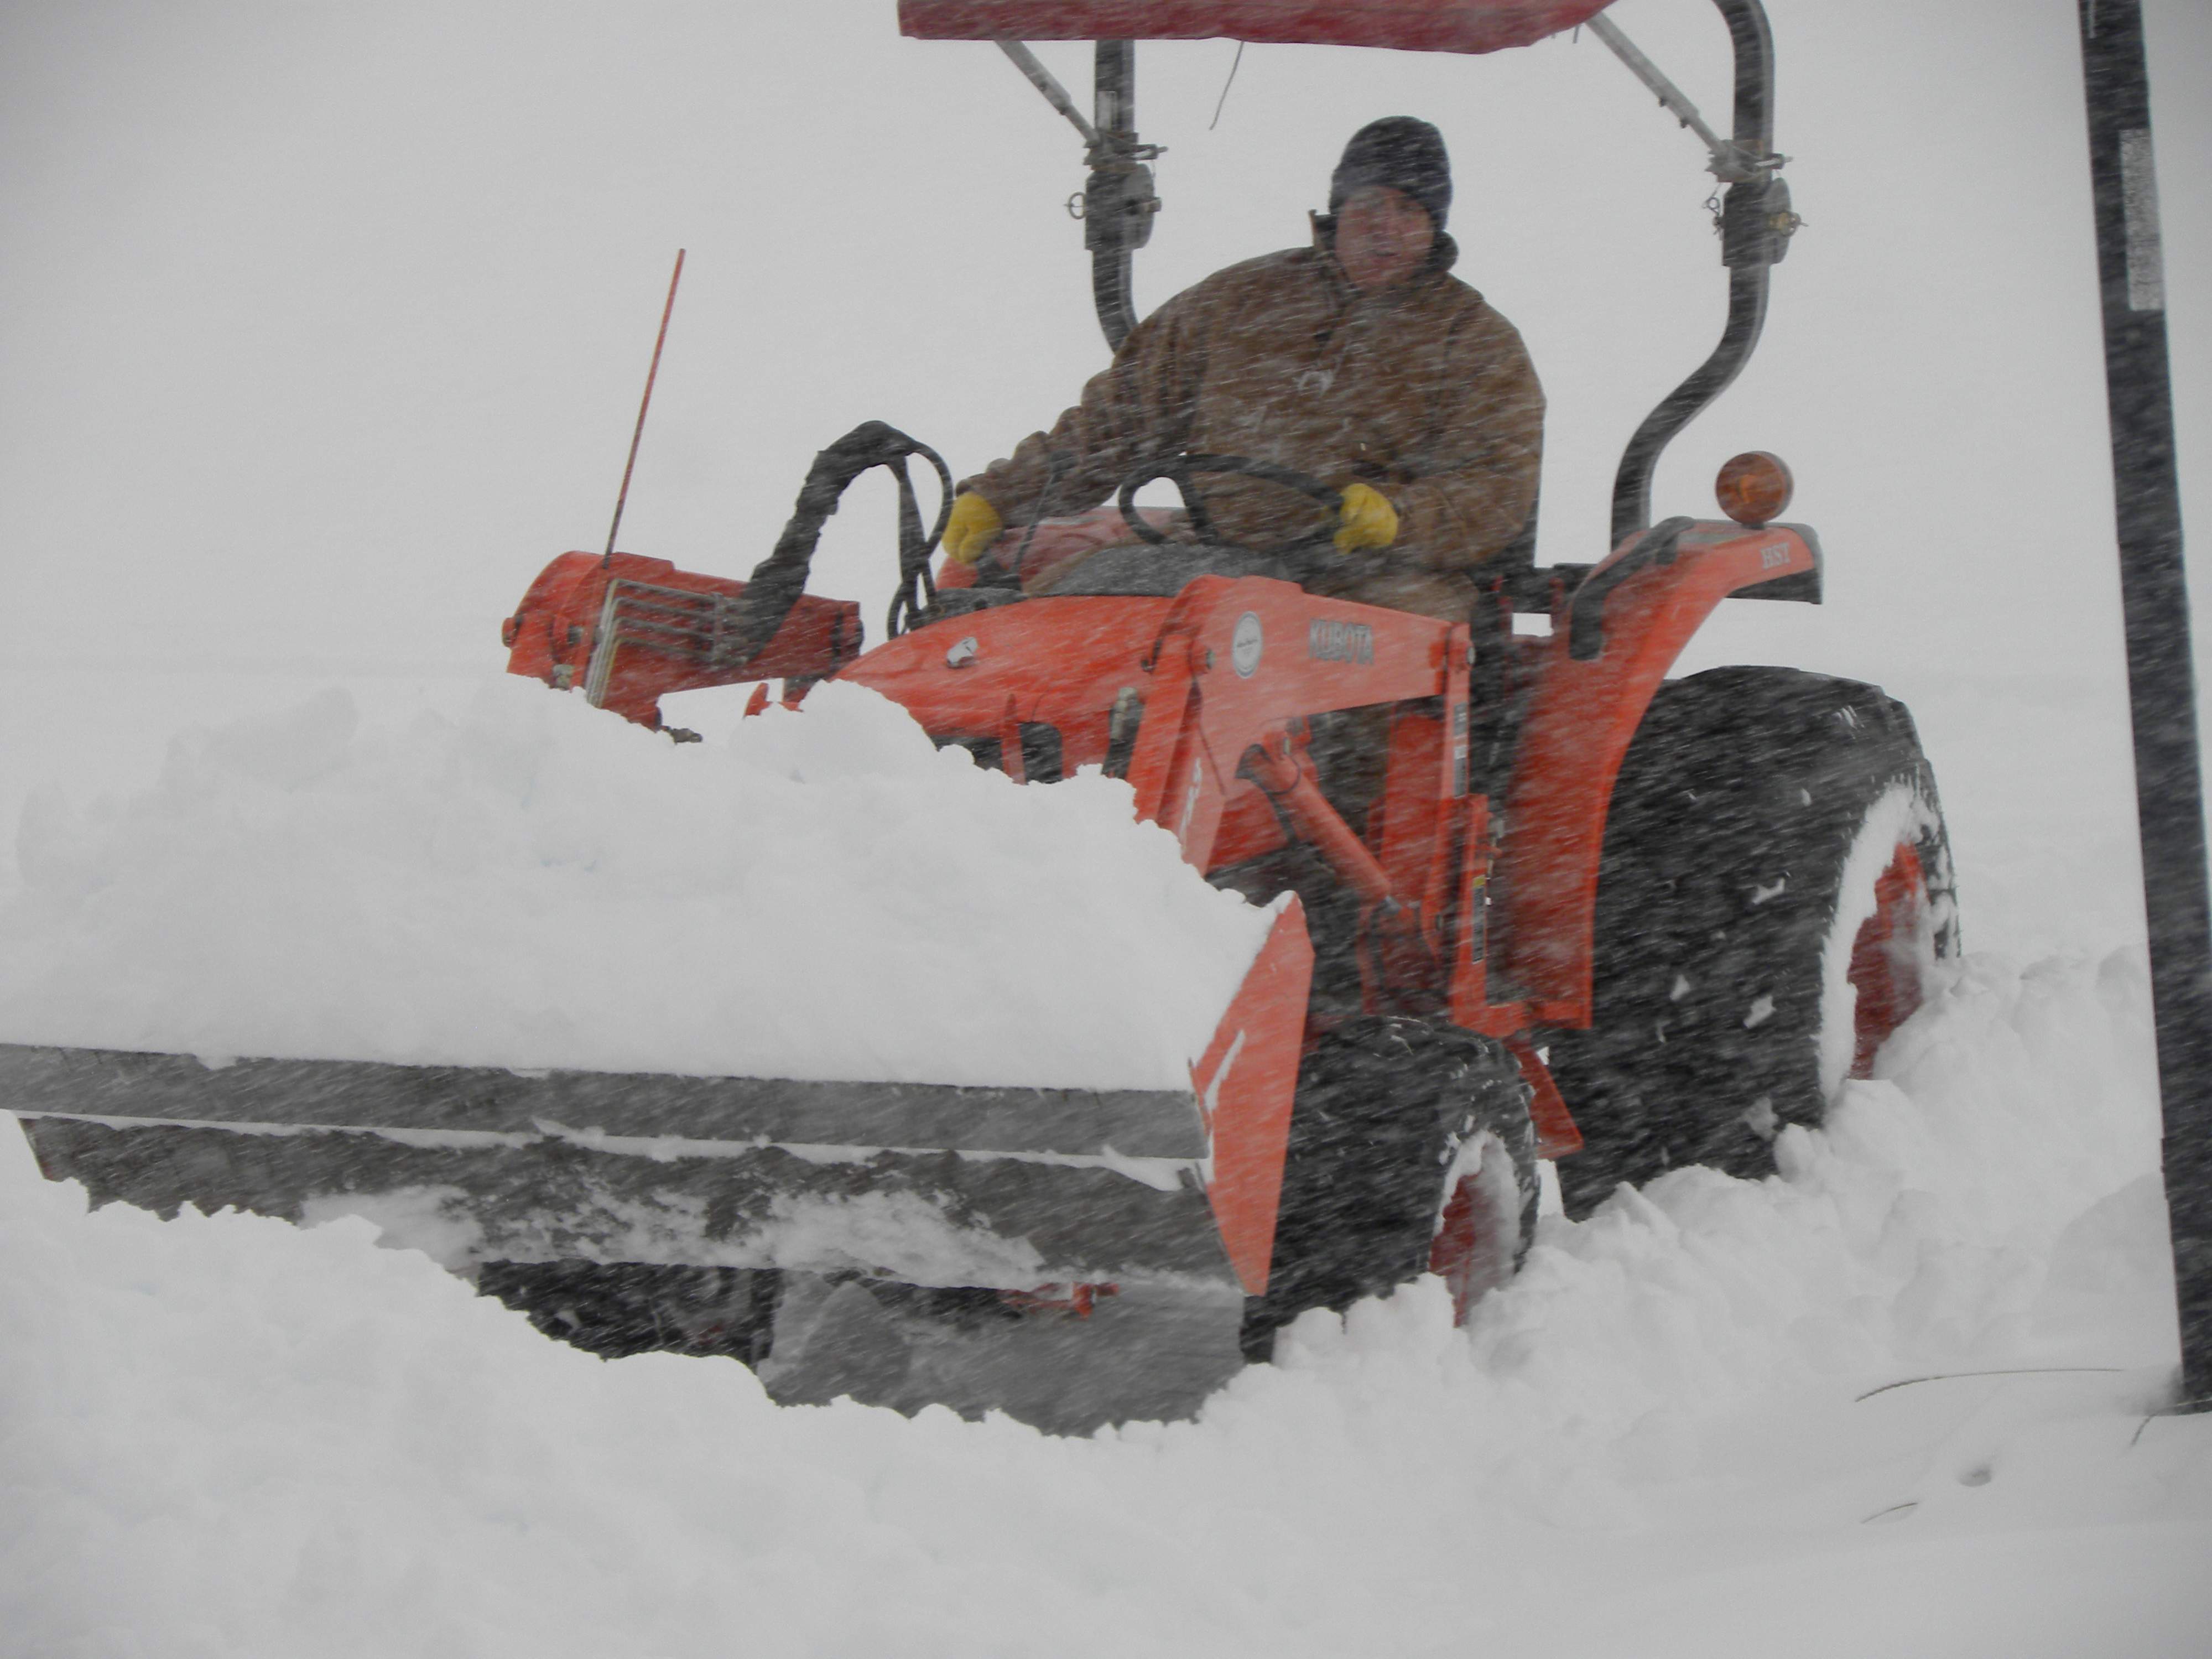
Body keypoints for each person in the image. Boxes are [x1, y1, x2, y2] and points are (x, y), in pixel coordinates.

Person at [939, 116, 1543, 625]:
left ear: (1433, 226)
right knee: (1058, 614)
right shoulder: (1240, 299)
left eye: (1407, 208)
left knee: (1336, 660)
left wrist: (1397, 516)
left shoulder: (1475, 341)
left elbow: (1497, 488)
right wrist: (1003, 495)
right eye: (1368, 203)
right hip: (1216, 548)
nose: (1384, 224)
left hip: (1374, 573)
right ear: (1338, 211)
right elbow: (1119, 419)